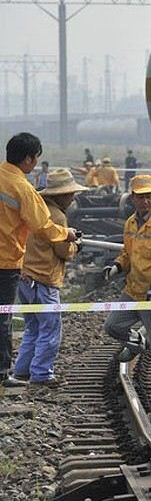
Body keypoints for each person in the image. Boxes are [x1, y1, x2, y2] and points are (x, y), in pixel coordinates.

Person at [0, 133, 78, 387]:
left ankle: (19, 370)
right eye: (35, 159)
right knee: (7, 318)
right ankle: (10, 373)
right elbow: (43, 227)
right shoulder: (22, 188)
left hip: (20, 271)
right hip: (8, 262)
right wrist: (67, 236)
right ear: (28, 159)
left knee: (29, 325)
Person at [102, 174, 151, 394]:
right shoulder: (131, 223)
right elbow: (127, 253)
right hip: (134, 290)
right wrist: (117, 266)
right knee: (113, 325)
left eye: (149, 196)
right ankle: (137, 342)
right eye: (140, 197)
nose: (145, 201)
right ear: (132, 199)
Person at [12, 169, 87, 388]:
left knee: (33, 328)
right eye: (71, 194)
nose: (73, 198)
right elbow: (64, 250)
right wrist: (76, 246)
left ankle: (22, 371)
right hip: (43, 279)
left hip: (25, 276)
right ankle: (42, 373)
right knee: (50, 328)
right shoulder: (57, 216)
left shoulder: (35, 210)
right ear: (61, 195)